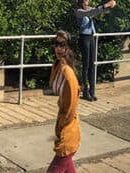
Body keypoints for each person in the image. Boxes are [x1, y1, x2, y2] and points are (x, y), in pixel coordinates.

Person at [47, 30, 80, 173]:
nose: (58, 48)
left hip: (69, 129)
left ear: (68, 47)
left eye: (62, 44)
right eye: (56, 44)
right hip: (63, 126)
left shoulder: (68, 72)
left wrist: (63, 123)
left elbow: (72, 104)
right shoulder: (58, 66)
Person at [73, 0, 116, 101]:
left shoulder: (88, 9)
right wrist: (106, 5)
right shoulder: (79, 11)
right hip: (84, 38)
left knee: (92, 64)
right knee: (86, 65)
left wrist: (110, 6)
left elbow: (98, 11)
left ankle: (92, 91)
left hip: (91, 37)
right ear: (81, 1)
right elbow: (91, 12)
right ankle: (85, 91)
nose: (88, 1)